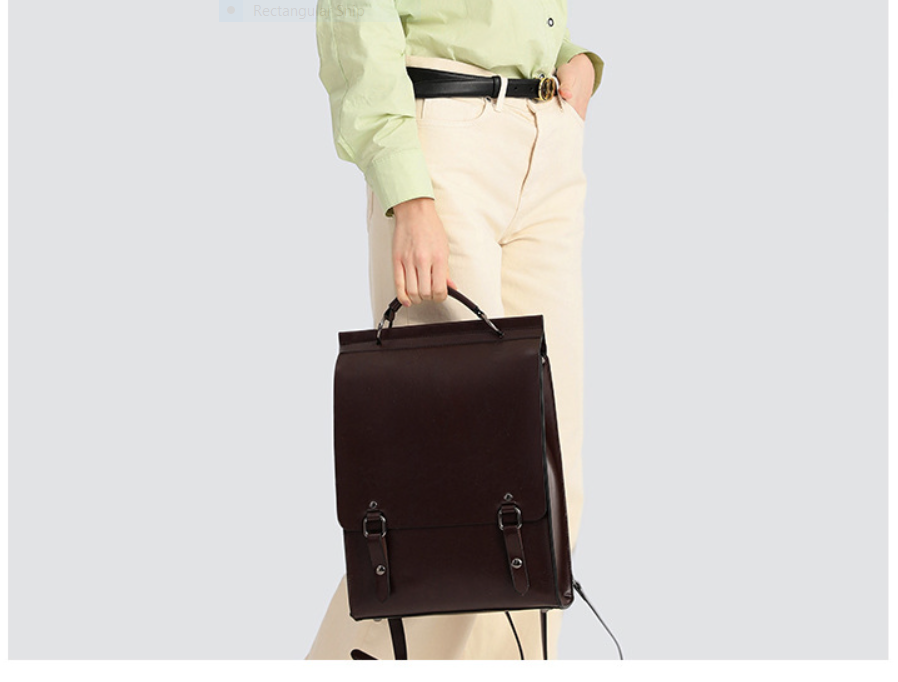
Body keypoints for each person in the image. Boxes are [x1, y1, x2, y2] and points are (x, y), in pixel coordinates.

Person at [306, 0, 604, 660]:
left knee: (550, 486)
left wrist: (572, 59)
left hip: (547, 138)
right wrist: (407, 192)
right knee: (459, 481)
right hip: (445, 142)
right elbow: (357, 17)